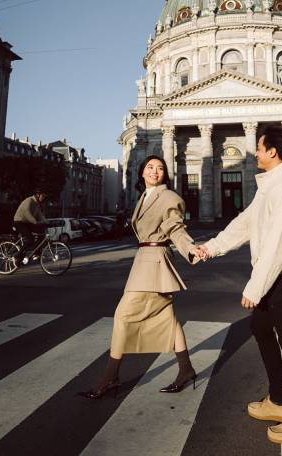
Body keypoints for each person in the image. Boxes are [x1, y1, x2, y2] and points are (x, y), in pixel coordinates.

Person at [195, 124, 282, 445]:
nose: (256, 152)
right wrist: (212, 247)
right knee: (262, 330)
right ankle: (279, 400)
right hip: (274, 277)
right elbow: (245, 223)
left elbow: (279, 244)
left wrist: (255, 287)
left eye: (260, 147)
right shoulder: (270, 187)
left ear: (272, 152)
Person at [78, 155, 201, 399]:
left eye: (160, 168)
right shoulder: (144, 197)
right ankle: (186, 369)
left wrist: (190, 248)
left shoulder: (169, 197)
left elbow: (175, 227)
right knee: (168, 318)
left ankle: (110, 377)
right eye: (150, 167)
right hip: (144, 260)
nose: (155, 171)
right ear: (142, 173)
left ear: (165, 174)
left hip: (154, 261)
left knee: (123, 315)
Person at [12, 188, 49, 266]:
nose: (43, 197)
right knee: (30, 238)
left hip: (27, 223)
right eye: (43, 195)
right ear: (37, 194)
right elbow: (26, 212)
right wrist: (35, 222)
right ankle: (17, 255)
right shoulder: (29, 200)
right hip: (19, 222)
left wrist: (46, 222)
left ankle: (36, 253)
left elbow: (40, 215)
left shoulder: (37, 204)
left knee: (41, 233)